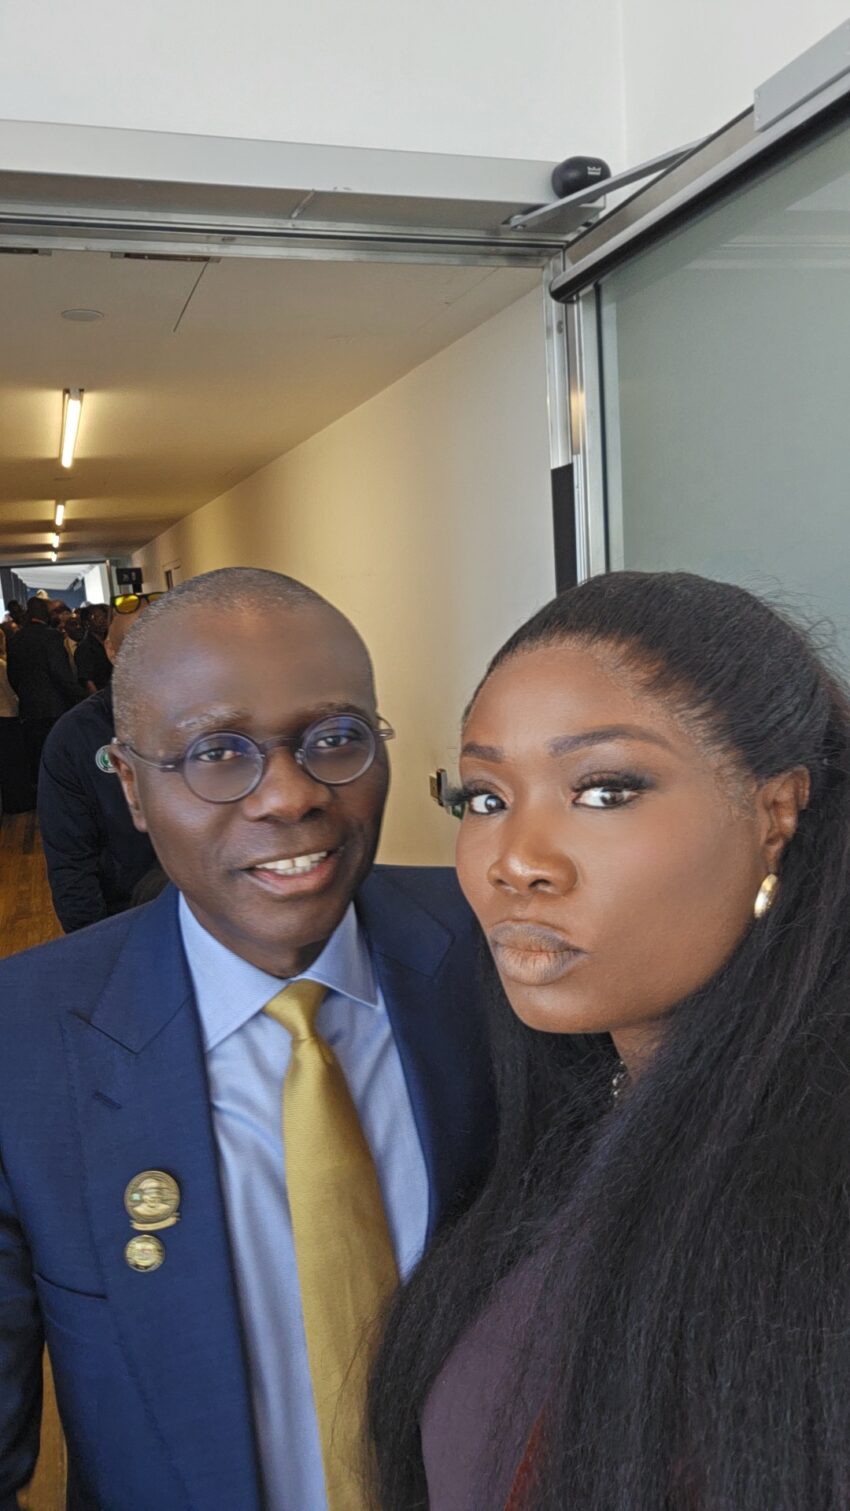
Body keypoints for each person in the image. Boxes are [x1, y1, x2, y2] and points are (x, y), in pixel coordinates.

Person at [0, 567, 495, 1511]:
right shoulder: (22, 1045)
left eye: (336, 738)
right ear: (132, 787)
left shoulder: (495, 955)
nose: (289, 796)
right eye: (217, 752)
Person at [370, 570, 850, 1511]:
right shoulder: (586, 1112)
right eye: (484, 797)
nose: (516, 860)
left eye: (603, 790)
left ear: (775, 812)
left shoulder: (817, 1193)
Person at [38, 603, 158, 931]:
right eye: (136, 645)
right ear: (111, 650)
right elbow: (70, 861)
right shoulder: (73, 738)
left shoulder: (209, 721)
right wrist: (97, 943)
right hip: (127, 921)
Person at [5, 597, 83, 784]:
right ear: (46, 614)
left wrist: (25, 694)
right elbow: (60, 673)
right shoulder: (52, 636)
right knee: (61, 759)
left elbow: (12, 675)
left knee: (38, 759)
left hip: (29, 709)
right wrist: (79, 696)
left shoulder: (16, 639)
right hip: (56, 707)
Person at [0, 624, 32, 814]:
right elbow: (11, 690)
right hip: (8, 715)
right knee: (14, 761)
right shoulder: (2, 665)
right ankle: (19, 801)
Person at [74, 603, 111, 694]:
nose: (102, 621)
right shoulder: (85, 648)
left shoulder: (110, 641)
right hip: (102, 694)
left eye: (104, 617)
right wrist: (99, 698)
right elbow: (87, 680)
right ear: (87, 623)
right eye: (96, 617)